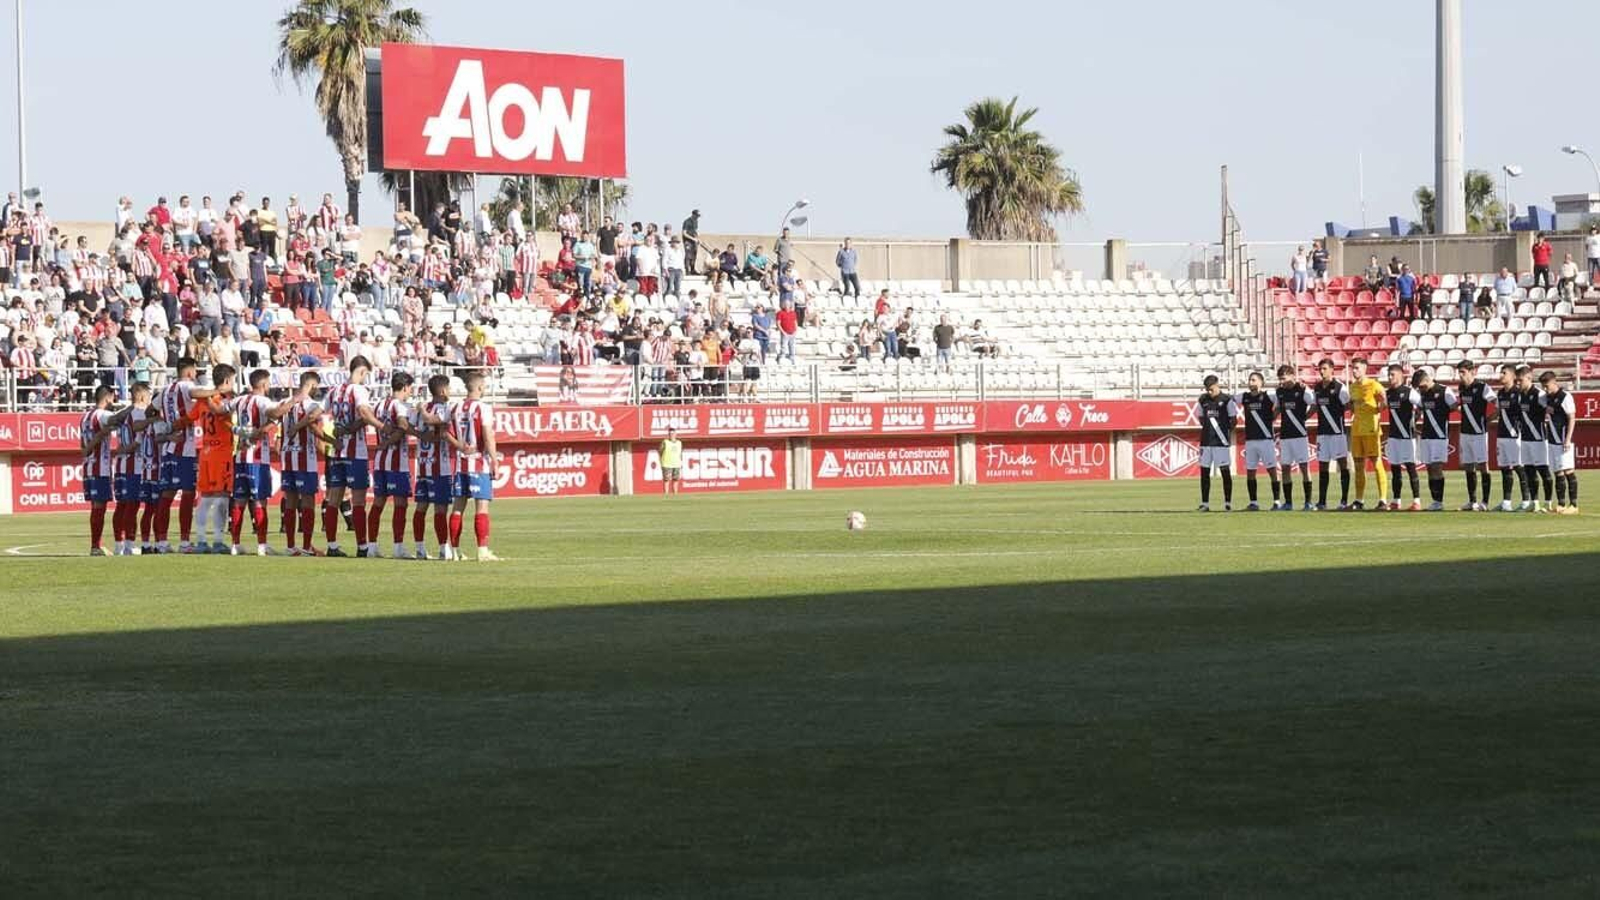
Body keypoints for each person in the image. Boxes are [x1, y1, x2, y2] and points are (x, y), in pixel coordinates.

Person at [154, 357, 218, 553]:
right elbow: (198, 392)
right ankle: (184, 542)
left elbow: (151, 411)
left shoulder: (165, 391)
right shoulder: (186, 386)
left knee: (166, 496)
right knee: (188, 494)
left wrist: (164, 432)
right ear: (190, 372)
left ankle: (162, 542)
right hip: (186, 449)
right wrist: (220, 390)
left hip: (169, 449)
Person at [324, 356, 384, 557]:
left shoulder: (333, 391)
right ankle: (362, 547)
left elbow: (317, 416)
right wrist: (382, 426)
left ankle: (332, 546)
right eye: (366, 374)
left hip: (337, 452)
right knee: (358, 501)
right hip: (355, 452)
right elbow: (364, 413)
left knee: (333, 500)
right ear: (362, 371)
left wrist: (331, 438)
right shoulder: (358, 390)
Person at [228, 368, 292, 556]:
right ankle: (262, 545)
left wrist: (235, 430)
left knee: (239, 501)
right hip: (257, 458)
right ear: (263, 384)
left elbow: (220, 411)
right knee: (259, 502)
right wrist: (293, 400)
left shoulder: (239, 400)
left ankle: (235, 544)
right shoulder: (262, 401)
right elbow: (276, 412)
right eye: (269, 382)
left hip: (240, 456)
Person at [185, 364, 241, 554]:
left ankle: (201, 540)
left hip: (205, 453)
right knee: (222, 498)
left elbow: (188, 418)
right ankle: (217, 540)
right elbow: (224, 417)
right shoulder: (226, 400)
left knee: (205, 499)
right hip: (222, 453)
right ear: (226, 381)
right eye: (232, 380)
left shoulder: (202, 401)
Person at [446, 370, 499, 561]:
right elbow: (488, 435)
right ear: (479, 387)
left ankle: (454, 551)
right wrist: (494, 460)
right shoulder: (483, 408)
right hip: (478, 462)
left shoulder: (454, 408)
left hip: (460, 464)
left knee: (458, 508)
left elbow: (445, 432)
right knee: (481, 508)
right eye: (484, 386)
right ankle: (482, 550)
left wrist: (459, 445)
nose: (485, 389)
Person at [279, 370, 331, 557]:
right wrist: (332, 442)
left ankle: (291, 546)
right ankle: (307, 546)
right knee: (308, 502)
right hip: (304, 460)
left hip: (287, 457)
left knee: (290, 501)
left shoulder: (285, 403)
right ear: (312, 385)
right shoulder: (312, 405)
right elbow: (315, 431)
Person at [410, 374, 461, 560]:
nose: (450, 392)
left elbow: (408, 426)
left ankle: (420, 548)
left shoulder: (422, 407)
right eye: (448, 388)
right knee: (440, 508)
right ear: (442, 390)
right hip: (440, 466)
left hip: (423, 465)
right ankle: (443, 548)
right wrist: (429, 433)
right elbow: (433, 421)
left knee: (421, 507)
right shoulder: (442, 407)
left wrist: (421, 434)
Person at [79, 385, 135, 555]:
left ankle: (96, 545)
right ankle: (95, 546)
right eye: (113, 398)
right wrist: (135, 405)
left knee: (95, 507)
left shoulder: (84, 417)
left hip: (88, 467)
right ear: (107, 397)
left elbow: (82, 446)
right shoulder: (102, 415)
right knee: (100, 508)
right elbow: (115, 418)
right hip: (99, 468)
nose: (114, 401)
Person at [368, 372, 418, 560]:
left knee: (378, 502)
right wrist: (420, 434)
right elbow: (403, 426)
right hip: (397, 462)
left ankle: (372, 546)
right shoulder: (400, 405)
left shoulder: (380, 404)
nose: (411, 391)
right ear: (405, 387)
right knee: (401, 504)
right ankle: (398, 547)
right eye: (410, 387)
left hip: (380, 460)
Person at [110, 382, 155, 555]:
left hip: (121, 465)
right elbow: (137, 442)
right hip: (134, 466)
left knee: (122, 506)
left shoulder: (123, 414)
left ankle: (119, 545)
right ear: (143, 395)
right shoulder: (139, 413)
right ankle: (128, 545)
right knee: (132, 506)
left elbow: (112, 423)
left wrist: (119, 450)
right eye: (149, 396)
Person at [1449, 360, 1495, 511]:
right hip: (1465, 432)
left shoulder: (1482, 387)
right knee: (1468, 466)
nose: (1461, 376)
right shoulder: (1462, 387)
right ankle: (1472, 501)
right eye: (1459, 373)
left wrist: (1489, 418)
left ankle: (1485, 502)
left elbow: (1498, 404)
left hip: (1479, 433)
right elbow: (1461, 406)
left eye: (1463, 372)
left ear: (1472, 371)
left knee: (1483, 465)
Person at [1346, 356, 1390, 511]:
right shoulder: (1352, 387)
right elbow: (1352, 407)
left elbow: (1383, 403)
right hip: (1357, 429)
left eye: (1357, 367)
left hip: (1371, 429)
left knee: (1376, 462)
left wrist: (1381, 405)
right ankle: (1359, 500)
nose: (1354, 371)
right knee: (1358, 465)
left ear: (1365, 368)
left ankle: (1383, 500)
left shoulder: (1374, 385)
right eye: (1353, 368)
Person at [1273, 365, 1316, 511]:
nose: (1281, 381)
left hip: (1299, 435)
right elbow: (1278, 408)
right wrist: (1270, 418)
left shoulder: (1302, 389)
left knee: (1304, 467)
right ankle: (1288, 503)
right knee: (1285, 468)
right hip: (1285, 435)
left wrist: (1304, 417)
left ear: (1292, 375)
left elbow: (1314, 404)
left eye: (1283, 378)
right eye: (1280, 379)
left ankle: (1308, 502)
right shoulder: (1279, 392)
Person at [1380, 364, 1422, 512]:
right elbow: (1382, 407)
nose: (1390, 378)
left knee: (1411, 467)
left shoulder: (1409, 392)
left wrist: (1416, 418)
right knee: (1395, 469)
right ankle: (1396, 501)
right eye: (1388, 375)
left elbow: (1422, 405)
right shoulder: (1389, 393)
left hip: (1407, 436)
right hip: (1393, 436)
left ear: (1400, 375)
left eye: (1392, 375)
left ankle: (1416, 501)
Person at [1235, 371, 1279, 511]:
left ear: (1261, 382)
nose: (1251, 382)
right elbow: (1228, 399)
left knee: (1272, 470)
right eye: (1249, 380)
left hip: (1266, 439)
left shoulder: (1269, 395)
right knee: (1250, 471)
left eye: (1254, 380)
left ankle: (1277, 501)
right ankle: (1253, 502)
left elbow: (1281, 401)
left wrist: (1274, 415)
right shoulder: (1244, 397)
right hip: (1250, 440)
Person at [1312, 358, 1352, 510]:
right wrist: (1302, 417)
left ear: (1332, 370)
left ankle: (1343, 501)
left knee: (1342, 464)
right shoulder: (1317, 388)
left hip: (1337, 432)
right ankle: (1322, 502)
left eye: (1324, 369)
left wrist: (1337, 413)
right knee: (1323, 465)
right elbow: (1315, 407)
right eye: (1320, 369)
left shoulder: (1339, 388)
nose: (1322, 372)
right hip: (1322, 433)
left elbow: (1348, 405)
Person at [1539, 371, 1579, 514]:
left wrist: (1568, 439)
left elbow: (1572, 418)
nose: (1545, 389)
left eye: (1547, 385)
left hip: (1563, 438)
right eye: (1543, 386)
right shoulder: (1546, 398)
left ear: (1554, 382)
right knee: (1557, 472)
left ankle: (1573, 505)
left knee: (1568, 470)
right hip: (1552, 438)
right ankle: (1561, 504)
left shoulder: (1565, 397)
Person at [1195, 375, 1236, 512]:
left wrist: (1224, 432)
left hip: (1221, 442)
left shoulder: (1227, 400)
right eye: (1207, 390)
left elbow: (1233, 420)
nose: (1209, 392)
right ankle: (1205, 503)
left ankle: (1228, 503)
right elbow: (1200, 417)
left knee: (1225, 472)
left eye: (1211, 389)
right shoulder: (1203, 400)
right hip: (1206, 442)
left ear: (1217, 385)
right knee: (1204, 472)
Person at [1515, 365, 1552, 512]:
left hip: (1538, 438)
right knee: (1529, 470)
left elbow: (1549, 410)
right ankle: (1534, 501)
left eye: (1520, 380)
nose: (1518, 383)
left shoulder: (1539, 394)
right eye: (1517, 381)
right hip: (1525, 438)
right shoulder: (1520, 394)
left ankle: (1548, 502)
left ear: (1529, 378)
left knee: (1543, 470)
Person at [1491, 363, 1527, 513]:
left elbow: (1523, 414)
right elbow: (1499, 411)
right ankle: (1506, 502)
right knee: (1505, 468)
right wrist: (1487, 420)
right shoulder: (1500, 393)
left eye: (1504, 373)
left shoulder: (1518, 393)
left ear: (1512, 375)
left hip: (1514, 435)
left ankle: (1526, 501)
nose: (1501, 375)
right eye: (1500, 373)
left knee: (1519, 467)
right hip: (1502, 435)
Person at [659, 426, 683, 496]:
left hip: (676, 463)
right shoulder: (665, 442)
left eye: (673, 434)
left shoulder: (679, 442)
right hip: (667, 463)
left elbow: (680, 453)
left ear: (675, 434)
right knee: (666, 480)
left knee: (675, 479)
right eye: (670, 434)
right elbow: (660, 451)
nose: (671, 435)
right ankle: (666, 494)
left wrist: (680, 461)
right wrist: (662, 459)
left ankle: (675, 494)